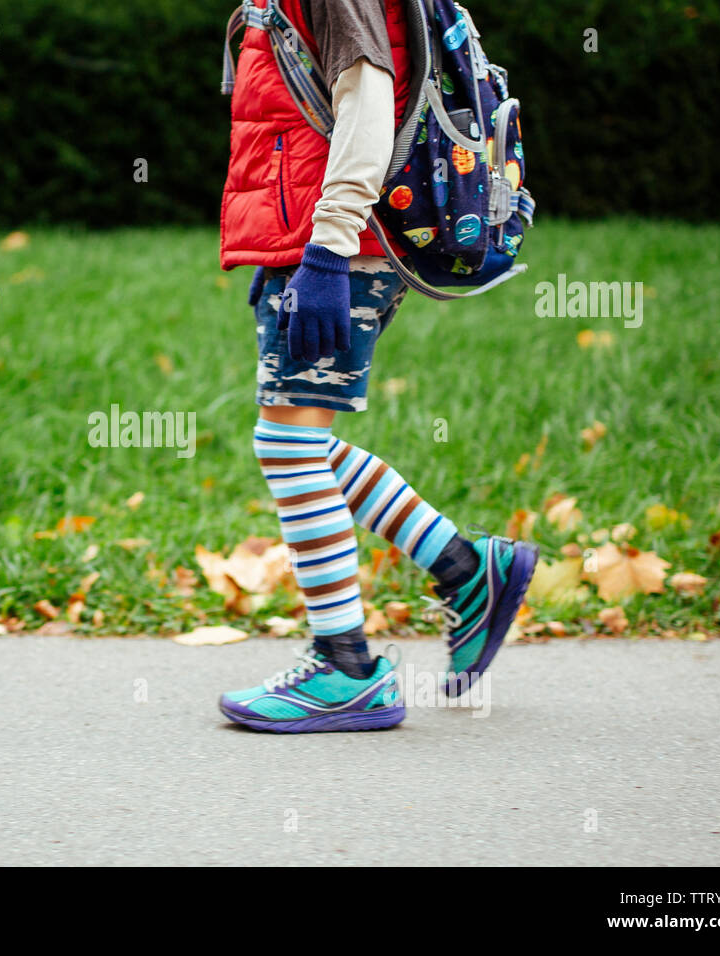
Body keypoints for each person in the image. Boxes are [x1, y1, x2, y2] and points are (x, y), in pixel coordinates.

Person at [216, 0, 536, 732]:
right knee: (297, 442)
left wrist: (326, 251)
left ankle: (346, 667)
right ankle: (465, 568)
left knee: (289, 445)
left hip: (337, 244)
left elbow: (368, 97)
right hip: (319, 238)